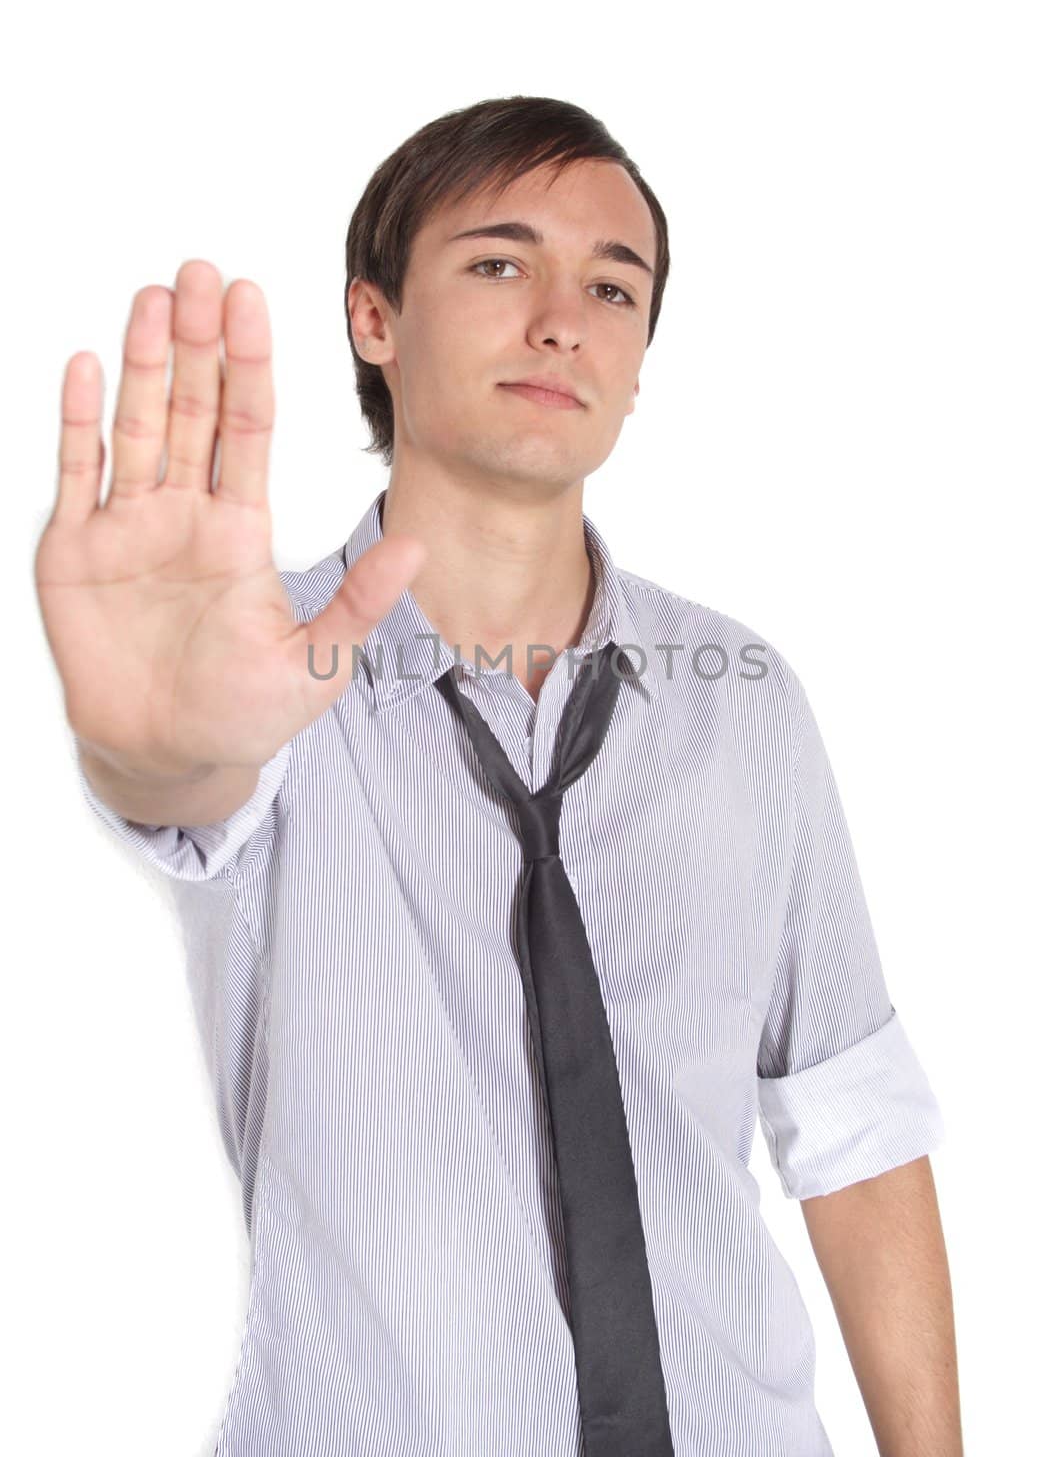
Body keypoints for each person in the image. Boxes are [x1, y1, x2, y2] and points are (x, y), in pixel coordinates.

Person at [35, 95, 963, 1456]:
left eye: (612, 286)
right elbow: (182, 778)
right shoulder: (262, 671)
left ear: (641, 357)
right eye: (497, 264)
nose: (560, 321)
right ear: (373, 321)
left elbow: (852, 1126)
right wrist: (152, 735)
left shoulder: (744, 698)